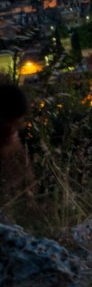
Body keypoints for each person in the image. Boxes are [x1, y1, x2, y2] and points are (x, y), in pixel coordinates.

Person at [0, 82, 34, 214]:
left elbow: (27, 184)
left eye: (17, 126)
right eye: (6, 128)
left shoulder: (13, 142)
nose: (11, 132)